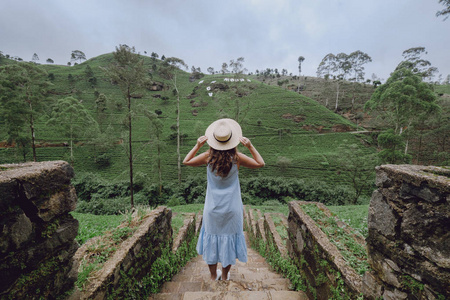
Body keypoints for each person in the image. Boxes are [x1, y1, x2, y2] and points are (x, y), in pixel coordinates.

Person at [183, 118, 265, 281]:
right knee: (229, 240)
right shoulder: (238, 158)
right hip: (232, 208)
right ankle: (225, 275)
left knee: (212, 240)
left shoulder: (207, 157)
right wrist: (250, 146)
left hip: (212, 209)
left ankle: (214, 276)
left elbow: (186, 161)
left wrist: (197, 145)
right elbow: (260, 163)